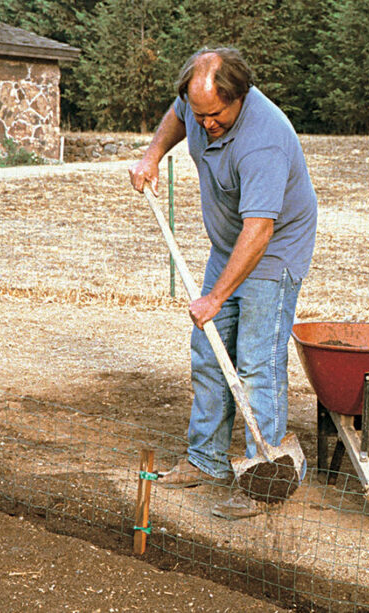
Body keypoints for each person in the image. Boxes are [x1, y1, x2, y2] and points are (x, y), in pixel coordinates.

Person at [129, 47, 317, 520]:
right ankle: (207, 460)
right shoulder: (195, 106)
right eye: (200, 114)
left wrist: (216, 297)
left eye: (216, 116)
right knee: (209, 354)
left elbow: (260, 230)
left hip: (272, 247)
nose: (206, 124)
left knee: (255, 362)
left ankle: (264, 479)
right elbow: (176, 117)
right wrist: (152, 156)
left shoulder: (264, 140)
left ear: (240, 97)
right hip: (230, 243)